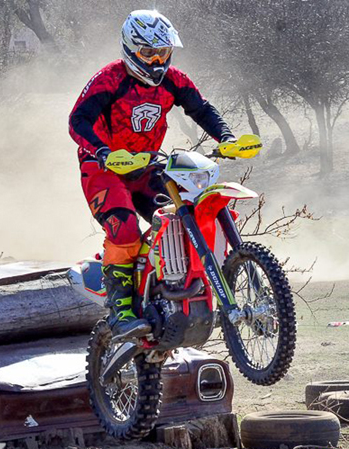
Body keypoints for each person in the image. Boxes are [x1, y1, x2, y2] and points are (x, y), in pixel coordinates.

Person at [68, 10, 235, 338]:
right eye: (149, 53)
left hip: (146, 166)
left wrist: (226, 137)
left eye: (164, 53)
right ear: (130, 49)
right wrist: (103, 151)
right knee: (126, 228)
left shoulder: (174, 80)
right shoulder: (110, 79)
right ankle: (120, 310)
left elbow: (200, 108)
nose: (157, 61)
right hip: (103, 169)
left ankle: (170, 285)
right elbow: (78, 120)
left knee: (185, 213)